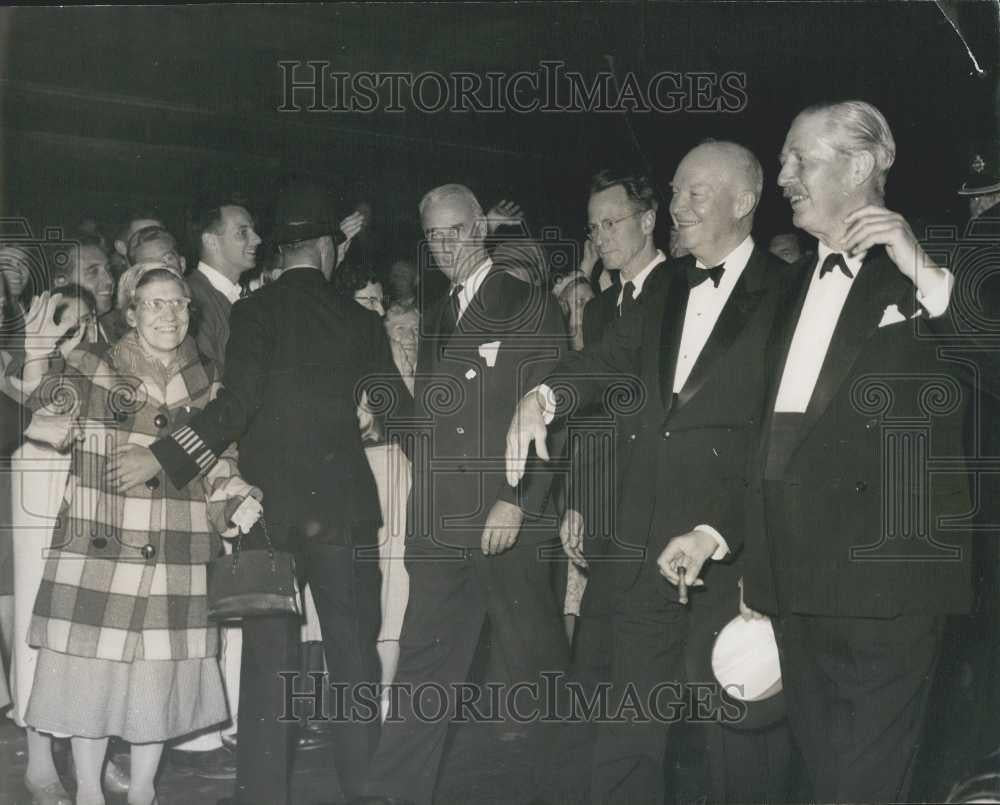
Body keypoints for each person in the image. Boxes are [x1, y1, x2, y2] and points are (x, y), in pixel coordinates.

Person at [506, 142, 792, 804]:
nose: (678, 207)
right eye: (676, 191)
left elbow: (782, 440)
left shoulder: (787, 295)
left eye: (697, 193)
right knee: (627, 743)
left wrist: (725, 534)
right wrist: (542, 397)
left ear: (745, 202)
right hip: (642, 557)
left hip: (732, 560)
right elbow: (605, 361)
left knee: (736, 754)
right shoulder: (664, 288)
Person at [108, 179, 400, 805]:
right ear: (328, 248)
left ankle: (263, 794)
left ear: (284, 251)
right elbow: (396, 407)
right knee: (352, 653)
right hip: (344, 511)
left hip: (269, 513)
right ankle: (364, 790)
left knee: (270, 663)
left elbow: (232, 411)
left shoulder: (254, 313)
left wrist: (160, 456)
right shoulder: (362, 320)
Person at [739, 100, 970, 803]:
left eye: (798, 159)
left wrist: (925, 273)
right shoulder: (784, 291)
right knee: (826, 778)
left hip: (888, 586)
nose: (783, 176)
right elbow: (769, 439)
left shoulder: (941, 267)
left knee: (862, 785)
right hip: (795, 583)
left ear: (862, 164)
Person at [21, 264, 259, 805]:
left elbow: (220, 455)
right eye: (154, 304)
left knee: (158, 684)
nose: (168, 314)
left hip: (176, 548)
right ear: (129, 313)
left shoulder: (207, 380)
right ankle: (87, 793)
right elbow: (38, 410)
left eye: (177, 304)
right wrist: (36, 357)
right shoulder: (92, 364)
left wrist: (235, 495)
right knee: (90, 683)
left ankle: (144, 793)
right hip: (100, 548)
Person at [362, 183, 569, 805]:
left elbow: (553, 415)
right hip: (441, 525)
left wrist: (519, 500)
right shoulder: (439, 309)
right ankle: (395, 792)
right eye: (433, 236)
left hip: (504, 519)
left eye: (455, 230)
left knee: (536, 673)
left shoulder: (529, 304)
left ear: (482, 227)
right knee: (425, 664)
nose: (445, 245)